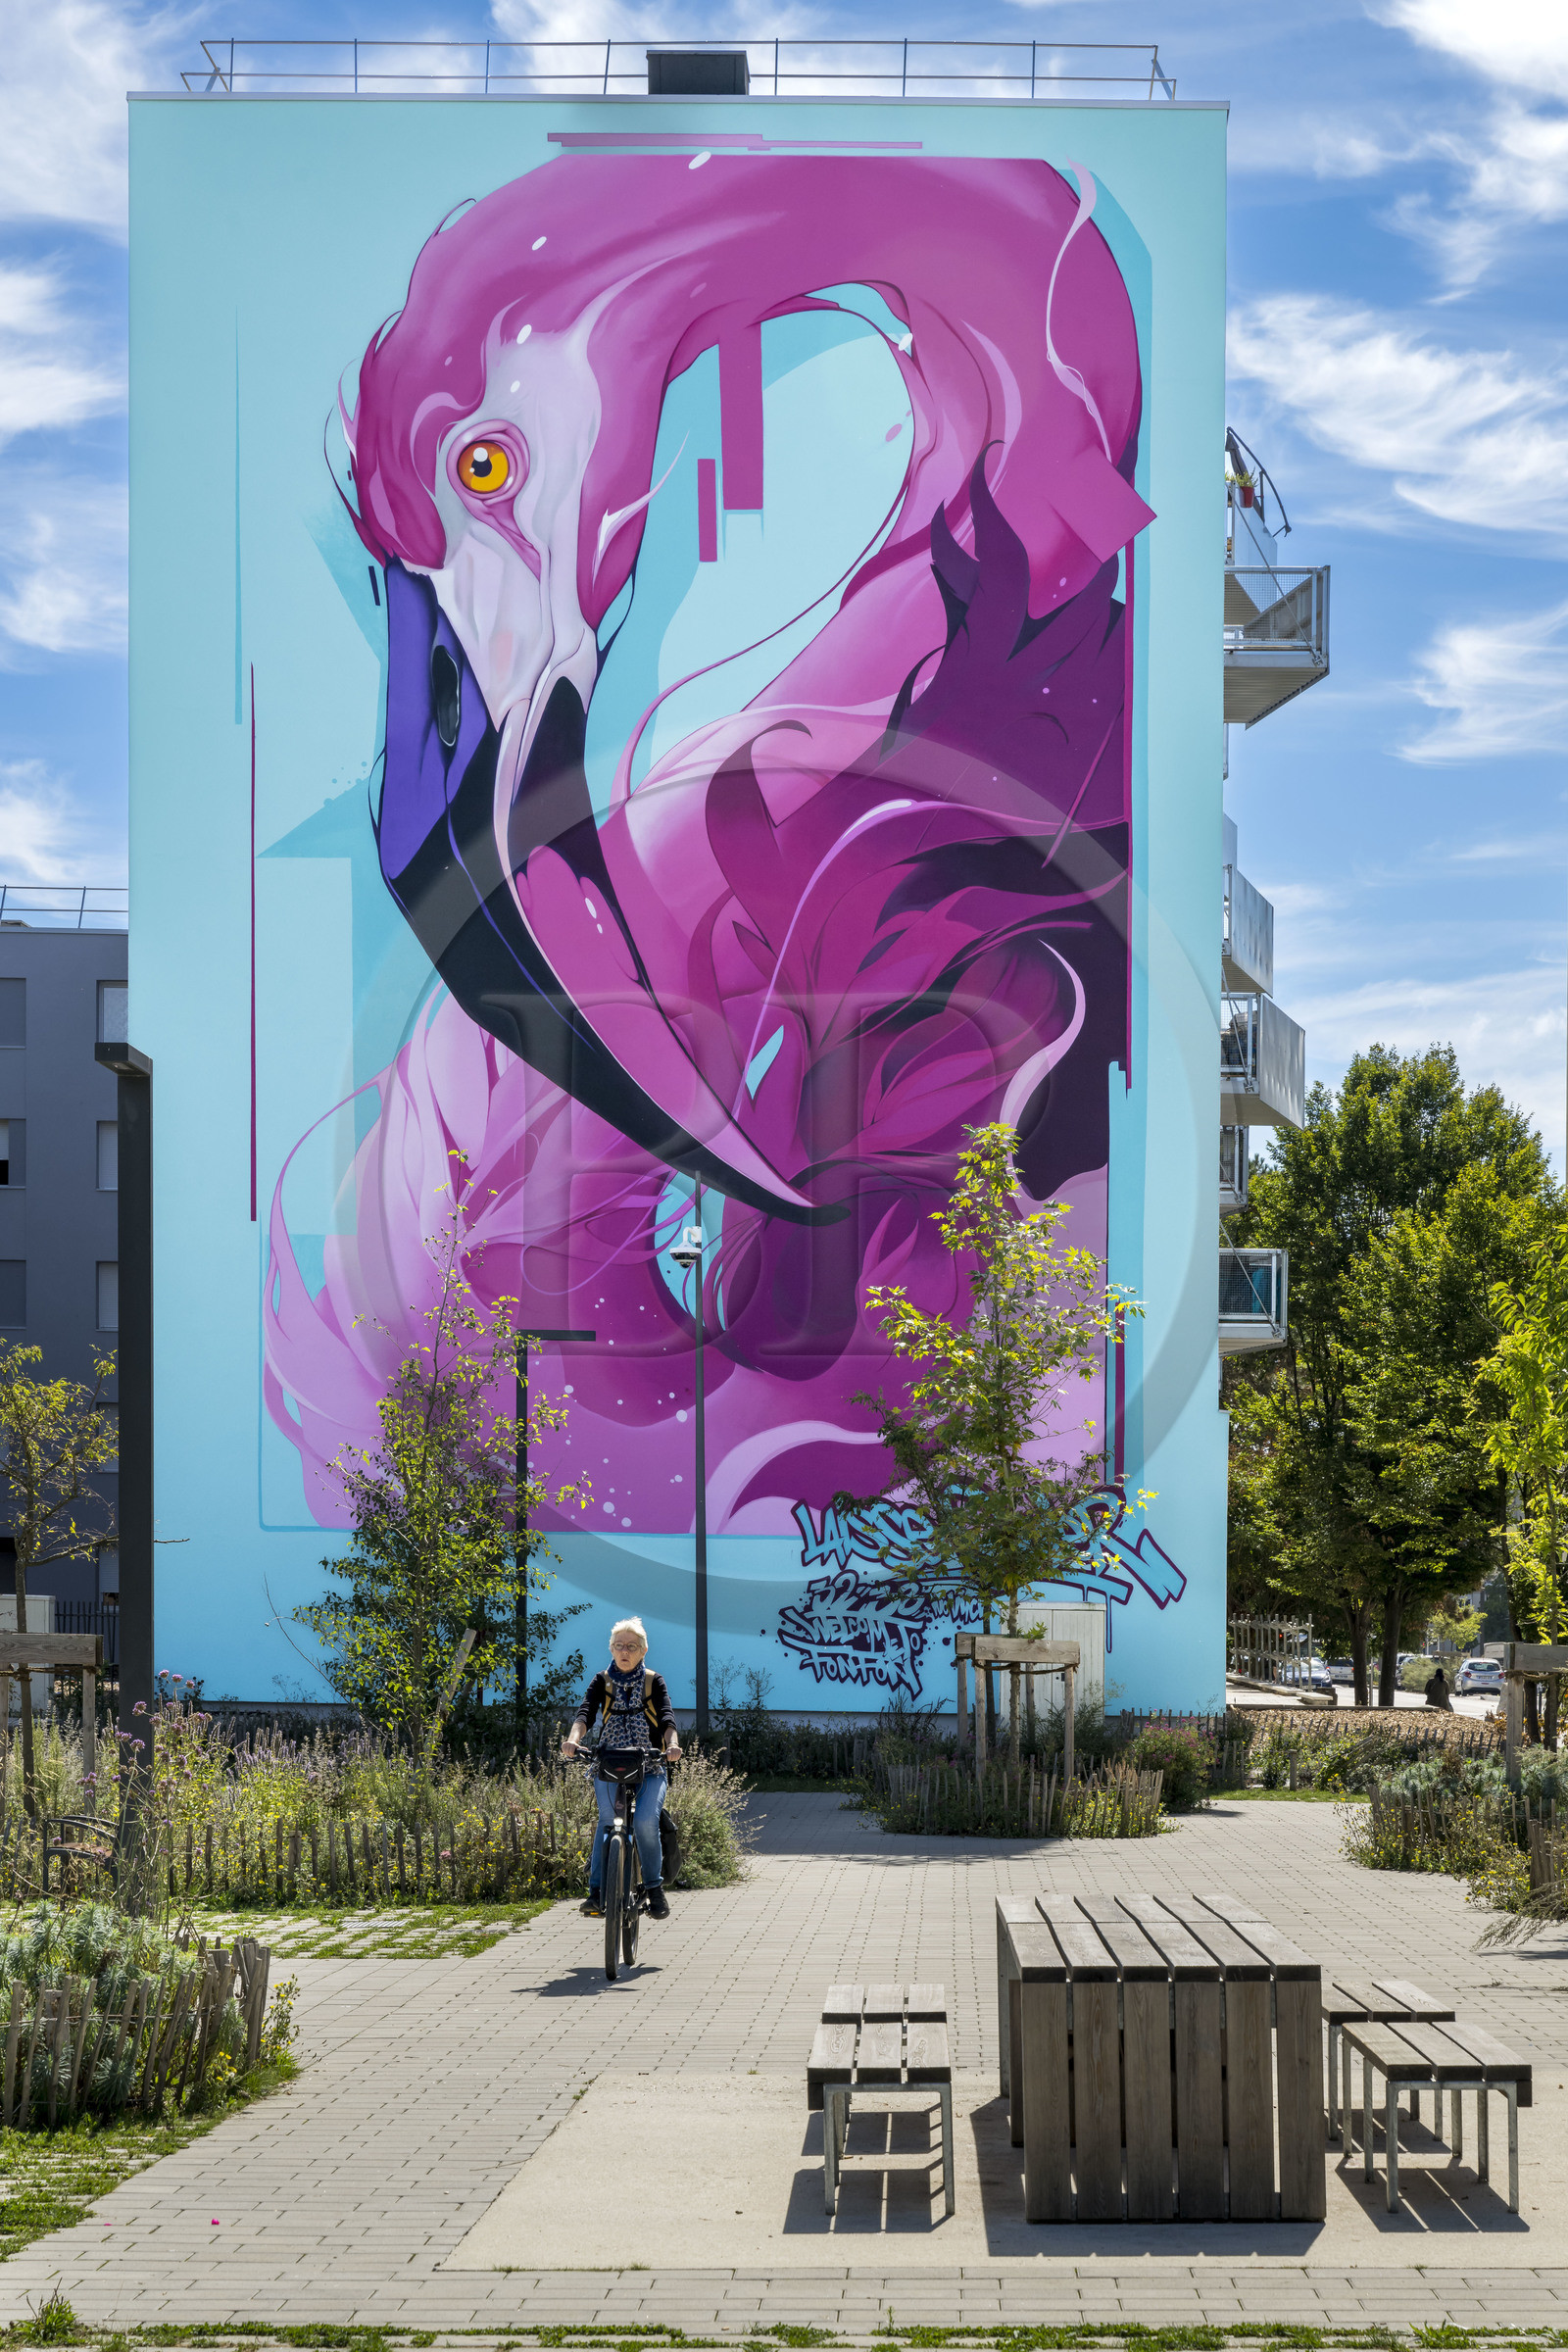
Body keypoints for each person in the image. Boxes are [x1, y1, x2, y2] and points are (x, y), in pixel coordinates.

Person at [563, 1617, 681, 1920]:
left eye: (631, 1646)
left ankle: (654, 1889)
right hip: (609, 1763)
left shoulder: (653, 1681)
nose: (624, 1651)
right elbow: (585, 1713)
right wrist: (573, 1740)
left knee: (643, 1823)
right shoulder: (602, 1680)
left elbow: (667, 1719)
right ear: (611, 1649)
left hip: (650, 1766)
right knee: (607, 1821)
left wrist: (671, 1746)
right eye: (618, 1646)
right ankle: (597, 1892)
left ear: (643, 1651)